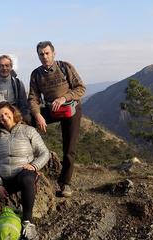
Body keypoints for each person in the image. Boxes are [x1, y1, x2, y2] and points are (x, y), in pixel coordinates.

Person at [0, 102, 50, 240]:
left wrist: (34, 165)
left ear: (13, 113)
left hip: (23, 174)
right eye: (0, 116)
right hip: (3, 180)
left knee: (27, 179)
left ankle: (27, 222)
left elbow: (44, 153)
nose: (4, 118)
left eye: (7, 114)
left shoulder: (28, 130)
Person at [28, 41, 86, 198]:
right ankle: (29, 165)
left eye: (47, 53)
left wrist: (64, 98)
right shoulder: (36, 74)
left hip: (70, 109)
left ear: (53, 53)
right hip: (51, 110)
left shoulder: (64, 67)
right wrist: (38, 114)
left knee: (69, 149)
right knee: (26, 121)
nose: (44, 56)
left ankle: (65, 183)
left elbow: (81, 88)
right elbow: (33, 98)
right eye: (41, 54)